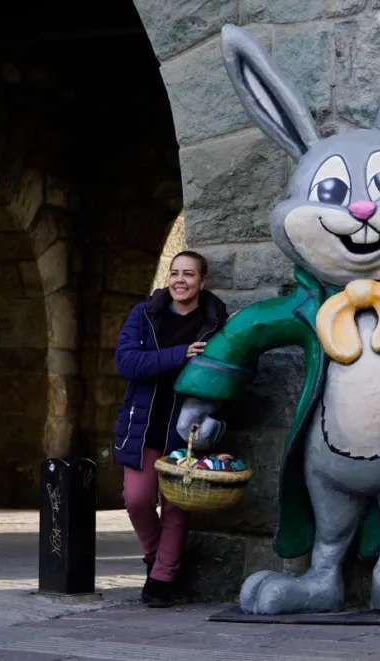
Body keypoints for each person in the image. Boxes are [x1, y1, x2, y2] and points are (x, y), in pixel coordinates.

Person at [113, 251, 228, 607]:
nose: (180, 280)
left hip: (189, 430)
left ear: (201, 281)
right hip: (145, 425)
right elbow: (126, 361)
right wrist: (179, 355)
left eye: (188, 274)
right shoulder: (145, 313)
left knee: (178, 506)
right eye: (175, 273)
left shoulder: (217, 322)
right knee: (137, 499)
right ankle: (153, 558)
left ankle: (163, 578)